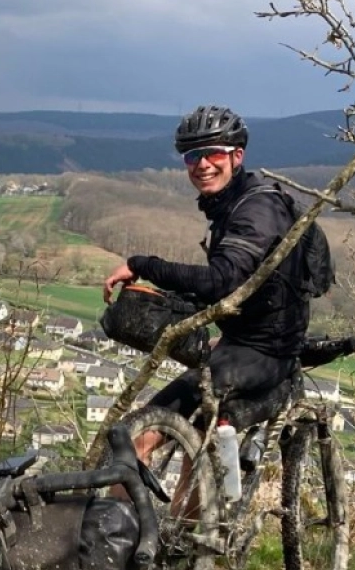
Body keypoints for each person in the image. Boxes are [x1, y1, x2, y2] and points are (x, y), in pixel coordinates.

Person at [102, 105, 312, 444]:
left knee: (136, 438)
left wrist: (143, 264)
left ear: (237, 155)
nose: (202, 164)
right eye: (192, 155)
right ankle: (200, 494)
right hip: (247, 340)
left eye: (213, 152)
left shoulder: (256, 210)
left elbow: (222, 281)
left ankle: (120, 500)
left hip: (264, 352)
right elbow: (238, 287)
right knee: (193, 439)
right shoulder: (234, 204)